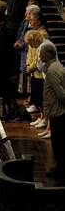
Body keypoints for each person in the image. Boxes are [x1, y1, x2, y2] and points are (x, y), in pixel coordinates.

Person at [38, 42, 65, 178]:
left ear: (47, 54)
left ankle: (61, 170)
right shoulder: (56, 66)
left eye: (41, 53)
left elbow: (61, 94)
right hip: (57, 111)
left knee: (59, 143)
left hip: (58, 112)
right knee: (58, 142)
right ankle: (59, 167)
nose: (39, 55)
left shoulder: (53, 70)